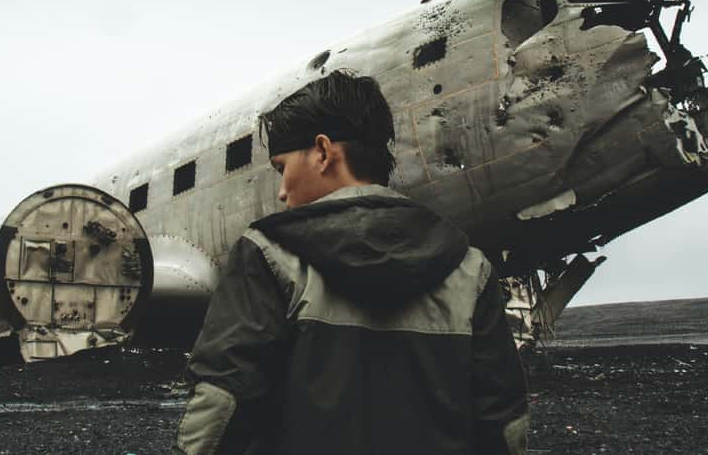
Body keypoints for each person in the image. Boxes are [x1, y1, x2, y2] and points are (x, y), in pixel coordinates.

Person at [175, 70, 528, 455]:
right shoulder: (469, 268)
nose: (281, 193)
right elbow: (505, 423)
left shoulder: (268, 253)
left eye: (282, 168)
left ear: (323, 152)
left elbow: (221, 403)